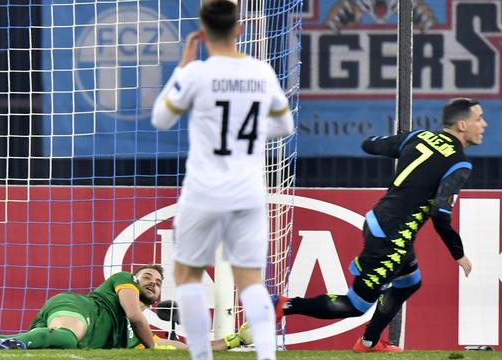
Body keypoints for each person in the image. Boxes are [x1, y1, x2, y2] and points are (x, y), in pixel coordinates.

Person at [273, 98, 487, 352]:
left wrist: (399, 139)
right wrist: (458, 253)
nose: (484, 124)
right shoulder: (459, 162)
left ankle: (369, 342)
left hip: (381, 221)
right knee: (355, 305)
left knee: (409, 282)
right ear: (462, 125)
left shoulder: (419, 136)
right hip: (393, 235)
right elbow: (440, 212)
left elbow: (371, 145)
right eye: (479, 118)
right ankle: (283, 305)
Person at [151, 1, 295, 359]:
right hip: (247, 191)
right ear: (240, 30)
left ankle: (202, 357)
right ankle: (267, 356)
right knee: (251, 284)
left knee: (188, 277)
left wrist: (183, 66)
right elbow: (285, 126)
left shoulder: (197, 74)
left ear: (201, 31)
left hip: (203, 192)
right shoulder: (261, 72)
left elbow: (161, 118)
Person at [0, 265, 164, 349]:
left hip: (54, 332)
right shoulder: (125, 280)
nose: (152, 282)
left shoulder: (140, 339)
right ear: (135, 278)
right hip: (79, 309)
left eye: (158, 282)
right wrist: (153, 348)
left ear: (159, 298)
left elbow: (167, 345)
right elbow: (134, 316)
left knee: (59, 342)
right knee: (68, 337)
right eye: (147, 276)